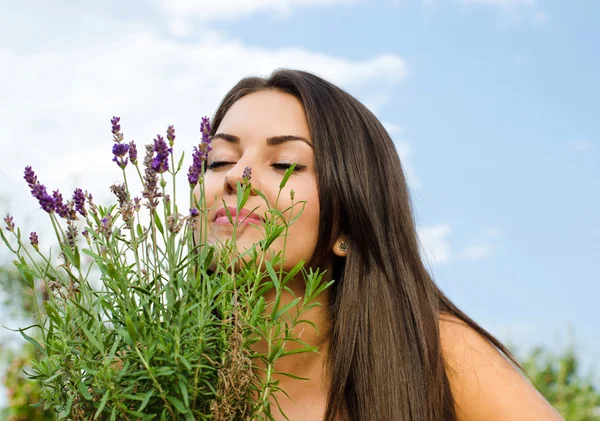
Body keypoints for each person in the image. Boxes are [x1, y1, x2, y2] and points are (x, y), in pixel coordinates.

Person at [196, 69, 565, 421]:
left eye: (284, 164)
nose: (235, 177)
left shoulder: (439, 355)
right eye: (219, 160)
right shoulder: (155, 366)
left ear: (349, 227)